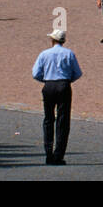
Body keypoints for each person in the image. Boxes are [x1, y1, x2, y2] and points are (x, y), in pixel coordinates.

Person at [32, 28, 82, 165]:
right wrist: (67, 80)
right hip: (64, 85)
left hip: (49, 85)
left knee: (48, 119)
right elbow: (77, 73)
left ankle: (48, 153)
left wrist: (46, 80)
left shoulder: (44, 54)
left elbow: (35, 73)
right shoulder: (69, 54)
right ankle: (58, 154)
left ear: (52, 40)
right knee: (63, 120)